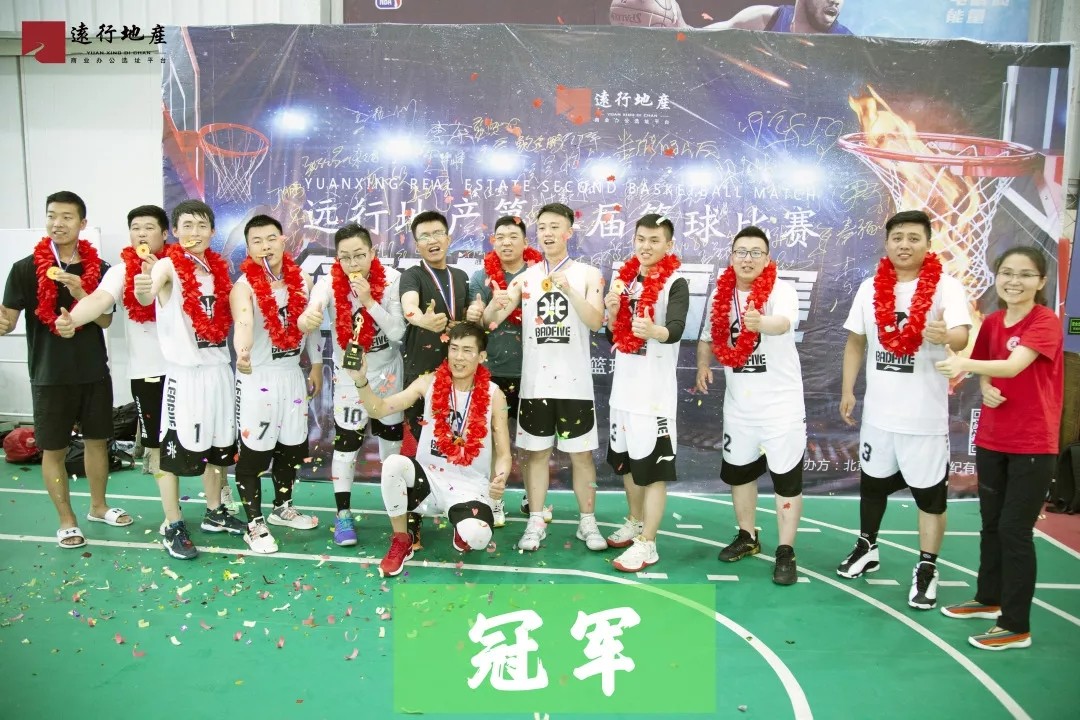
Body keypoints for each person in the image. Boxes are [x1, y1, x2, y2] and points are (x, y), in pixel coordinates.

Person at [837, 209, 971, 610]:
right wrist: (848, 389)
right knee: (872, 486)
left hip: (924, 419)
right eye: (897, 237)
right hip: (879, 416)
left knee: (930, 499)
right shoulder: (870, 288)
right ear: (887, 243)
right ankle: (867, 547)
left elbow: (961, 337)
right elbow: (856, 341)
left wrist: (945, 335)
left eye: (914, 238)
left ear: (928, 243)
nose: (904, 245)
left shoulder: (946, 287)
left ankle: (927, 566)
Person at [935, 247, 1063, 650]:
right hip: (993, 440)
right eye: (1006, 272)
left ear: (1041, 282)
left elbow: (1011, 365)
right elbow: (989, 369)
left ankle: (1016, 625)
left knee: (1014, 530)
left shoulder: (1044, 321)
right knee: (991, 523)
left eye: (1025, 274)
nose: (1013, 281)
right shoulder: (992, 321)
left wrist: (966, 366)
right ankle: (988, 598)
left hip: (1033, 443)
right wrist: (986, 385)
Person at [0, 191, 129, 548]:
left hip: (93, 371)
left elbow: (104, 320)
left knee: (97, 443)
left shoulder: (100, 268)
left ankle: (99, 507)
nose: (58, 223)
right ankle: (66, 519)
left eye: (67, 217)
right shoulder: (24, 268)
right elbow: (7, 321)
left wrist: (82, 291)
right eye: (52, 216)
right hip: (49, 374)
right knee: (54, 450)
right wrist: (3, 322)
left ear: (82, 223)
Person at [482, 202, 607, 553]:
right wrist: (492, 304)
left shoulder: (589, 274)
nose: (548, 233)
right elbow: (492, 320)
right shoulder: (525, 278)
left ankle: (587, 522)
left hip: (575, 385)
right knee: (535, 455)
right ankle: (535, 520)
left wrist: (570, 291)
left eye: (555, 227)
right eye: (542, 227)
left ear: (569, 232)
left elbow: (596, 321)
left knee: (581, 457)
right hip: (536, 384)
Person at [342, 322, 510, 577]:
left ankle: (462, 526)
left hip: (469, 486)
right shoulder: (428, 382)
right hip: (428, 480)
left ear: (482, 356)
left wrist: (501, 478)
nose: (459, 357)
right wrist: (360, 380)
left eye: (467, 350)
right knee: (393, 464)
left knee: (478, 537)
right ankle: (401, 539)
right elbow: (379, 409)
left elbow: (504, 453)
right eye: (454, 348)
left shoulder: (494, 395)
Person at [134, 199, 247, 559]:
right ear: (175, 231)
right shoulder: (167, 265)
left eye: (201, 225)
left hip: (219, 372)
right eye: (186, 225)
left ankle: (214, 512)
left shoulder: (218, 270)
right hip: (185, 377)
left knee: (216, 450)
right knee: (173, 452)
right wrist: (143, 287)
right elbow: (147, 293)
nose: (194, 232)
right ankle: (173, 524)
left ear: (212, 231)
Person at [695, 226, 806, 585]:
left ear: (767, 258)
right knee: (740, 474)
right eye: (741, 252)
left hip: (781, 407)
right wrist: (702, 365)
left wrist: (760, 322)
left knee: (786, 480)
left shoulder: (781, 290)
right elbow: (707, 337)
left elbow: (784, 323)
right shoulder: (721, 294)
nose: (747, 259)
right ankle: (747, 536)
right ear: (731, 257)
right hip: (739, 407)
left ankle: (786, 550)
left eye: (756, 252)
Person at [299, 222, 406, 546]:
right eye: (345, 257)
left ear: (372, 253)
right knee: (346, 445)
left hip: (388, 375)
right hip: (349, 376)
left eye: (359, 255)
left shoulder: (392, 280)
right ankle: (343, 514)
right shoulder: (329, 283)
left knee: (391, 447)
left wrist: (370, 301)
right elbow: (313, 309)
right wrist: (309, 317)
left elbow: (398, 332)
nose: (352, 263)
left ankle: (398, 511)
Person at [58, 205, 170, 486]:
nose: (141, 234)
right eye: (135, 228)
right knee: (156, 447)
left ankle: (217, 501)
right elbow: (99, 300)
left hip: (188, 370)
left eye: (149, 228)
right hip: (146, 372)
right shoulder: (120, 272)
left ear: (165, 234)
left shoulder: (179, 267)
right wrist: (73, 319)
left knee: (200, 441)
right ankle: (171, 508)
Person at [230, 215, 321, 554]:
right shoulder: (244, 287)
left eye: (271, 238)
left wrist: (316, 365)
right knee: (255, 454)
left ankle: (282, 508)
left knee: (291, 448)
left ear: (283, 240)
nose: (265, 246)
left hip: (291, 375)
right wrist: (242, 350)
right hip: (258, 376)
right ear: (248, 247)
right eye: (257, 241)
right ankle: (254, 524)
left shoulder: (304, 280)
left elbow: (312, 326)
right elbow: (243, 321)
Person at [603, 214, 687, 572]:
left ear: (669, 244)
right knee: (628, 465)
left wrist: (654, 330)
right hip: (622, 393)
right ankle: (635, 521)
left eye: (654, 240)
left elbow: (677, 328)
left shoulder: (675, 282)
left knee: (653, 473)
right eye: (641, 239)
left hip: (653, 398)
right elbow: (614, 336)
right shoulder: (624, 279)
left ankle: (648, 543)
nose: (646, 246)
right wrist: (612, 314)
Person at [465, 215, 543, 527]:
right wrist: (479, 311)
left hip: (532, 371)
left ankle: (531, 497)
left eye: (513, 236)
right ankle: (493, 500)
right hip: (491, 372)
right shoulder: (480, 277)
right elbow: (478, 325)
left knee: (530, 442)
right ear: (493, 241)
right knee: (492, 441)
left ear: (526, 242)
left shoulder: (540, 274)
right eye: (500, 236)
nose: (506, 242)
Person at [399, 210, 470, 441]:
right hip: (421, 372)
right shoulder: (412, 275)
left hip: (459, 370)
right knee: (425, 441)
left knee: (458, 439)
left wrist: (466, 321)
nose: (432, 241)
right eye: (425, 236)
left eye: (438, 233)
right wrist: (422, 320)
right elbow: (409, 306)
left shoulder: (461, 276)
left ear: (448, 239)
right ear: (416, 245)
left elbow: (467, 318)